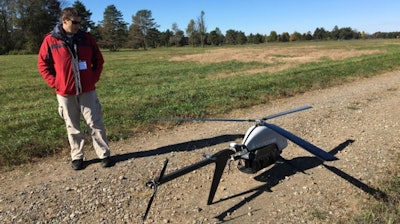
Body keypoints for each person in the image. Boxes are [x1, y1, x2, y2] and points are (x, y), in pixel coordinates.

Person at [38, 7, 111, 170]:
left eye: (79, 22)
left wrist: (93, 78)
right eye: (75, 22)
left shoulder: (86, 38)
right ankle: (77, 156)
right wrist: (56, 83)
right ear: (64, 20)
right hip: (65, 92)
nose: (78, 25)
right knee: (72, 125)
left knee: (95, 122)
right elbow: (43, 65)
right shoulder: (50, 40)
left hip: (87, 90)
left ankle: (104, 154)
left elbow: (98, 60)